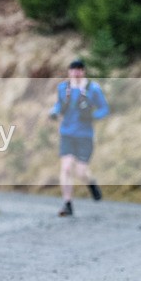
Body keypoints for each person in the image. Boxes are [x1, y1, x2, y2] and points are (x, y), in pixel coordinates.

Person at [49, 59, 109, 216]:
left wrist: (92, 116)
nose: (76, 73)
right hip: (67, 133)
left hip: (85, 135)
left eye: (79, 69)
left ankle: (91, 183)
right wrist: (54, 112)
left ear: (84, 71)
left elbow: (104, 108)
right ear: (69, 72)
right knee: (66, 167)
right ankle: (67, 203)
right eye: (73, 70)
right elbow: (58, 104)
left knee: (81, 172)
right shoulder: (63, 88)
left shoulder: (93, 89)